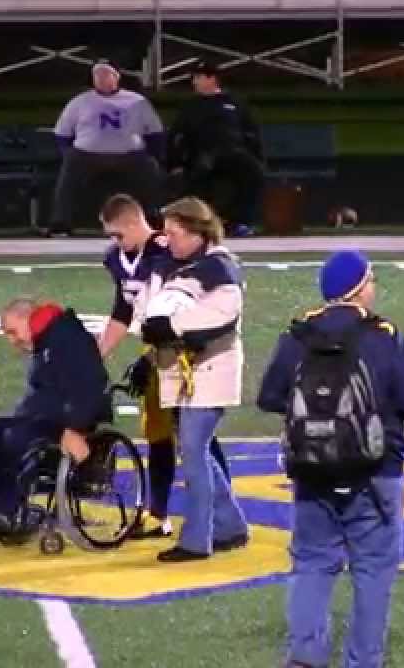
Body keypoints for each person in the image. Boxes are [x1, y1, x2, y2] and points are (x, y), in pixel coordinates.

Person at [257, 250, 404, 668]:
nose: (374, 287)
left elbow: (269, 396)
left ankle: (305, 658)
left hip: (312, 470)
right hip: (377, 471)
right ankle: (363, 661)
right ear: (358, 287)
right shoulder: (382, 335)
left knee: (312, 565)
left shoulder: (299, 333)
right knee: (372, 571)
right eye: (371, 280)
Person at [95, 192, 230, 540]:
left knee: (196, 435)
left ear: (131, 222)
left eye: (117, 234)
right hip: (159, 351)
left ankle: (221, 516)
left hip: (189, 354)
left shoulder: (166, 252)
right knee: (161, 433)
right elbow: (123, 312)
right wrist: (97, 355)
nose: (114, 242)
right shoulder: (119, 259)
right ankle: (159, 514)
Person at [139, 196, 249, 562]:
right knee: (198, 451)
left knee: (193, 451)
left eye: (172, 232)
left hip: (210, 371)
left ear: (196, 232)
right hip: (184, 373)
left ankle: (196, 539)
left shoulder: (220, 269)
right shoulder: (173, 263)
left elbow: (221, 319)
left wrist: (168, 327)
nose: (165, 239)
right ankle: (231, 526)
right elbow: (146, 311)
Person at [0, 298, 110, 538]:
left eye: (13, 332)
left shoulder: (68, 338)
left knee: (15, 437)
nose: (12, 341)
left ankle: (8, 509)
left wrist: (76, 429)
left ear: (27, 319)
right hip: (42, 420)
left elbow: (92, 385)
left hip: (66, 425)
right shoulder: (47, 341)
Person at [46, 60, 165, 237]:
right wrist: (68, 153)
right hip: (88, 155)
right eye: (97, 75)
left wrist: (154, 154)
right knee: (70, 169)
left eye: (106, 74)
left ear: (116, 77)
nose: (101, 79)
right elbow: (62, 133)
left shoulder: (137, 101)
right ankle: (61, 222)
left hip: (128, 156)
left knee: (150, 169)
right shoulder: (80, 102)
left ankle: (153, 219)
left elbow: (155, 131)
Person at [167, 60, 265, 238]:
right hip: (201, 155)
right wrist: (176, 161)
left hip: (233, 153)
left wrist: (257, 156)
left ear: (211, 79)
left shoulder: (234, 103)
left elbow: (251, 132)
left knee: (253, 171)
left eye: (198, 77)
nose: (194, 82)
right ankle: (198, 224)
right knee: (198, 175)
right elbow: (177, 135)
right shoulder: (191, 106)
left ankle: (241, 222)